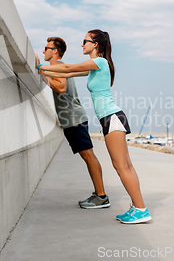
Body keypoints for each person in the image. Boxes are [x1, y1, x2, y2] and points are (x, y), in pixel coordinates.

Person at [36, 30, 151, 224]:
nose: (82, 45)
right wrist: (42, 69)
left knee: (121, 167)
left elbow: (68, 68)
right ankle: (137, 207)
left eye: (85, 41)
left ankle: (141, 209)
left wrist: (39, 66)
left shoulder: (100, 62)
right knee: (126, 166)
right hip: (111, 118)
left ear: (95, 44)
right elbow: (70, 71)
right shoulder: (94, 66)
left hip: (112, 117)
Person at [35, 37, 110, 209]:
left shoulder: (55, 66)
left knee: (89, 156)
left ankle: (102, 196)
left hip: (74, 118)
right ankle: (99, 194)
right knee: (88, 156)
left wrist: (41, 71)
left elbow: (60, 88)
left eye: (46, 48)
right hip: (73, 118)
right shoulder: (57, 66)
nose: (43, 51)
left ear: (55, 51)